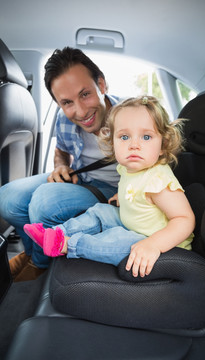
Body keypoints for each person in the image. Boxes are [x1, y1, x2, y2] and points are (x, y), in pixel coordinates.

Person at [23, 96, 195, 278]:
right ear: (113, 143)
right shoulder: (127, 168)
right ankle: (58, 232)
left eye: (146, 137)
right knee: (100, 211)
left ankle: (68, 245)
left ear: (163, 145)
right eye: (124, 137)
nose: (134, 145)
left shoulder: (158, 181)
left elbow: (184, 219)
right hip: (134, 226)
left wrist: (153, 244)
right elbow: (132, 187)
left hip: (160, 245)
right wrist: (122, 197)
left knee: (119, 241)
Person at [0, 47, 120, 281]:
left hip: (120, 191)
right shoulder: (64, 119)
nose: (81, 111)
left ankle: (39, 264)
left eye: (85, 94)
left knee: (44, 204)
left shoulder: (132, 114)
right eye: (67, 102)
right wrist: (60, 166)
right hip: (84, 180)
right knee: (7, 197)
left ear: (102, 85)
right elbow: (61, 150)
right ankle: (32, 252)